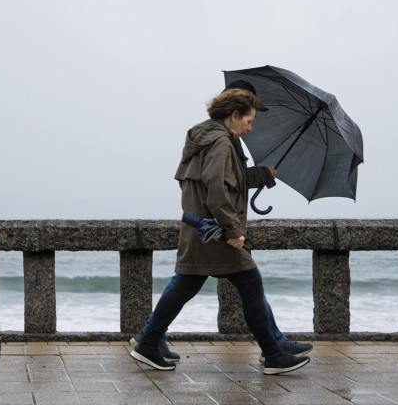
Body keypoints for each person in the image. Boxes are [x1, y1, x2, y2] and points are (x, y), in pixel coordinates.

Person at [129, 88, 311, 375]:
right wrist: (232, 229)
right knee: (250, 284)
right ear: (234, 116)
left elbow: (226, 179)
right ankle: (274, 354)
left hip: (200, 228)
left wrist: (264, 174)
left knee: (186, 284)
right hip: (214, 232)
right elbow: (216, 189)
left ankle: (148, 340)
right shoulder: (222, 143)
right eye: (248, 121)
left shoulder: (205, 137)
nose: (250, 128)